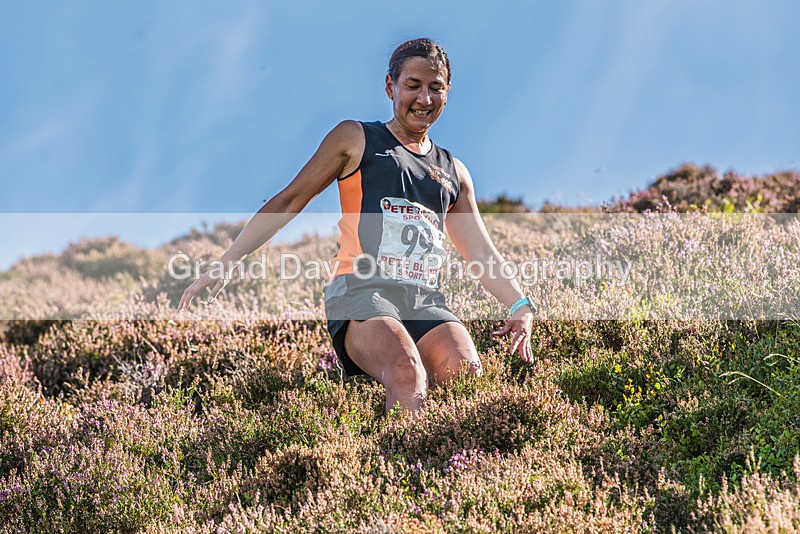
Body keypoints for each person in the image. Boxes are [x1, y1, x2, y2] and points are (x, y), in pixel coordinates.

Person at [177, 38, 536, 413]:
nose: (424, 99)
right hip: (360, 289)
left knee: (467, 373)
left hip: (423, 299)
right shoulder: (355, 138)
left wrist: (520, 305)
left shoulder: (454, 172)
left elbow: (480, 251)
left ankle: (453, 467)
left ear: (447, 94)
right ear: (390, 86)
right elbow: (288, 200)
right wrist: (229, 259)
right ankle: (403, 466)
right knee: (406, 369)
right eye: (412, 86)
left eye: (436, 89)